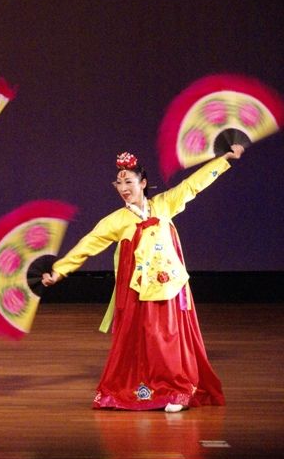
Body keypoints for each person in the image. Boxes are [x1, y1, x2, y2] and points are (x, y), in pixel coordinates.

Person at [42, 147, 244, 412]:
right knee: (146, 341)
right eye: (119, 183)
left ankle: (178, 391)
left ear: (143, 183)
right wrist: (59, 271)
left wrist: (224, 159)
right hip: (139, 292)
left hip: (170, 288)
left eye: (129, 182)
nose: (123, 188)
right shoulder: (116, 221)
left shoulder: (164, 204)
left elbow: (193, 185)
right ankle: (149, 390)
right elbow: (87, 245)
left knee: (170, 337)